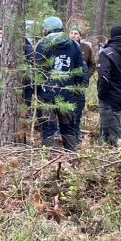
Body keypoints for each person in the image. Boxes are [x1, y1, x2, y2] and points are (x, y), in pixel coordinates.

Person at [33, 16, 86, 150]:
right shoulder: (74, 45)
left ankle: (48, 159)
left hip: (46, 95)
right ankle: (71, 155)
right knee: (69, 127)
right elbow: (81, 69)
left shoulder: (42, 45)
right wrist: (76, 90)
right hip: (68, 94)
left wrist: (36, 90)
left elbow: (37, 71)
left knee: (48, 128)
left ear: (48, 29)